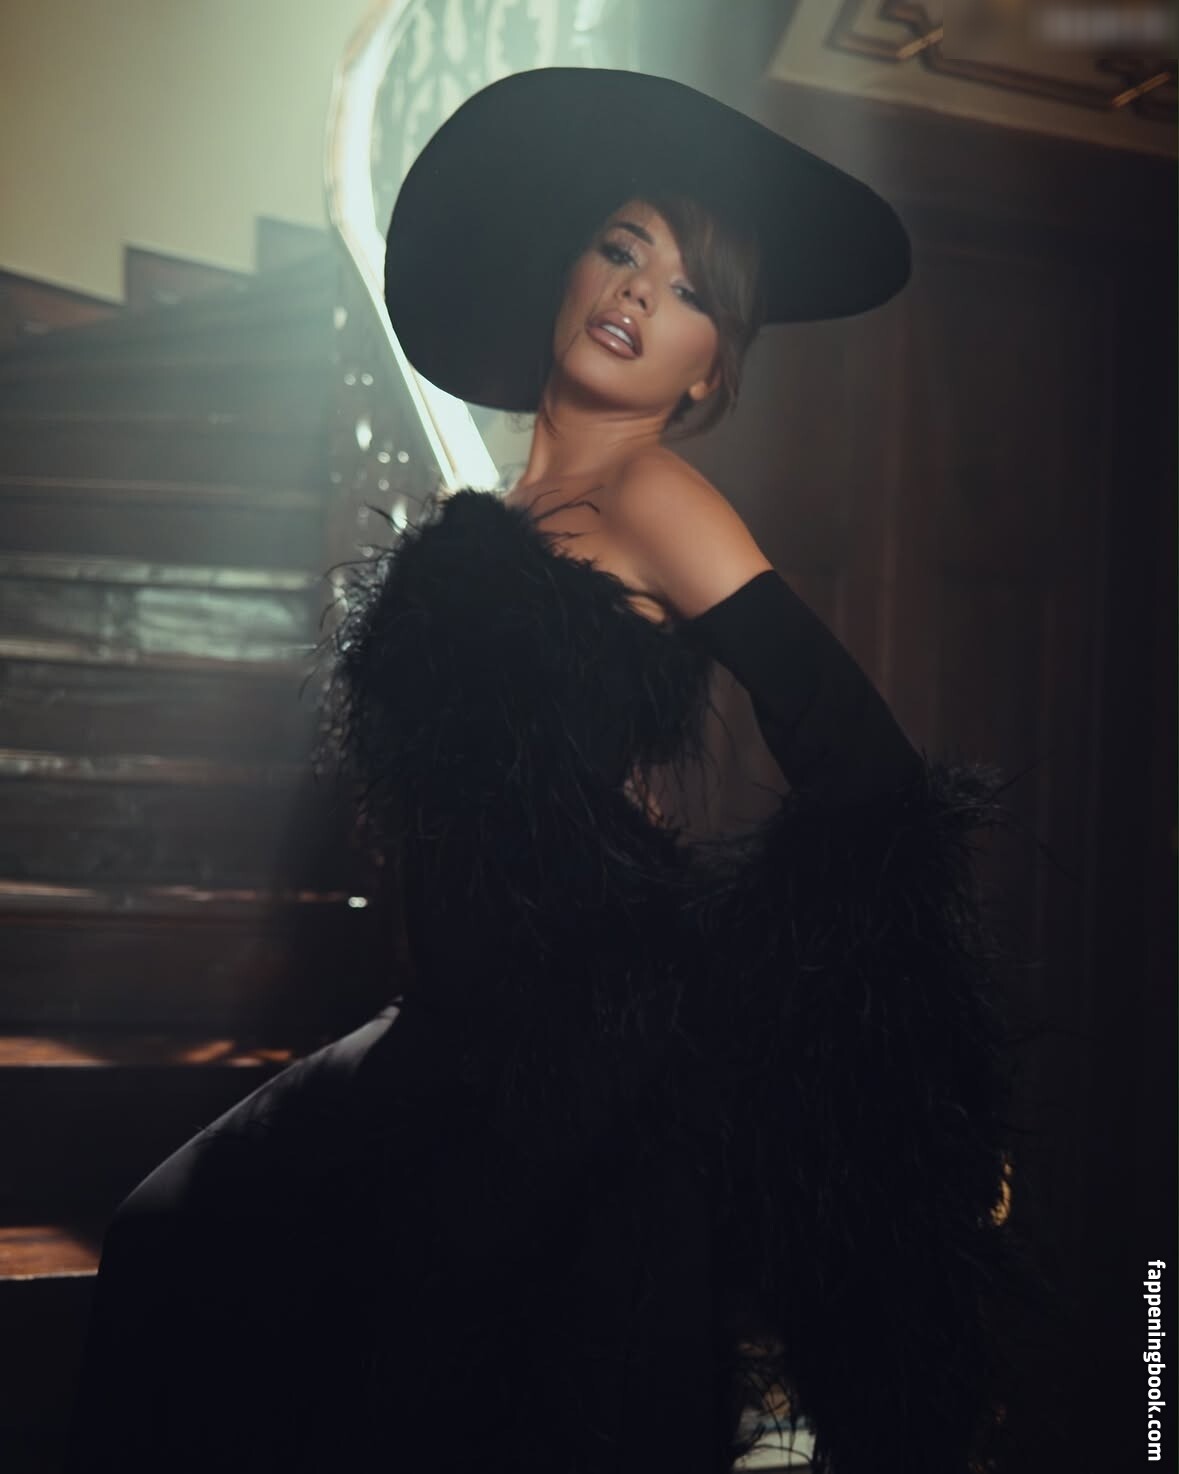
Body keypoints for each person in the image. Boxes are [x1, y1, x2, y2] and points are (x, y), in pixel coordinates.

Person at [65, 68, 1016, 1474]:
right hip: (445, 1033)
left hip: (577, 1062)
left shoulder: (655, 493)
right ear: (570, 269)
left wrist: (701, 964)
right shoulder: (495, 511)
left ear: (708, 370)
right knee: (174, 1242)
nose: (638, 290)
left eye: (688, 291)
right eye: (623, 247)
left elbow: (864, 763)